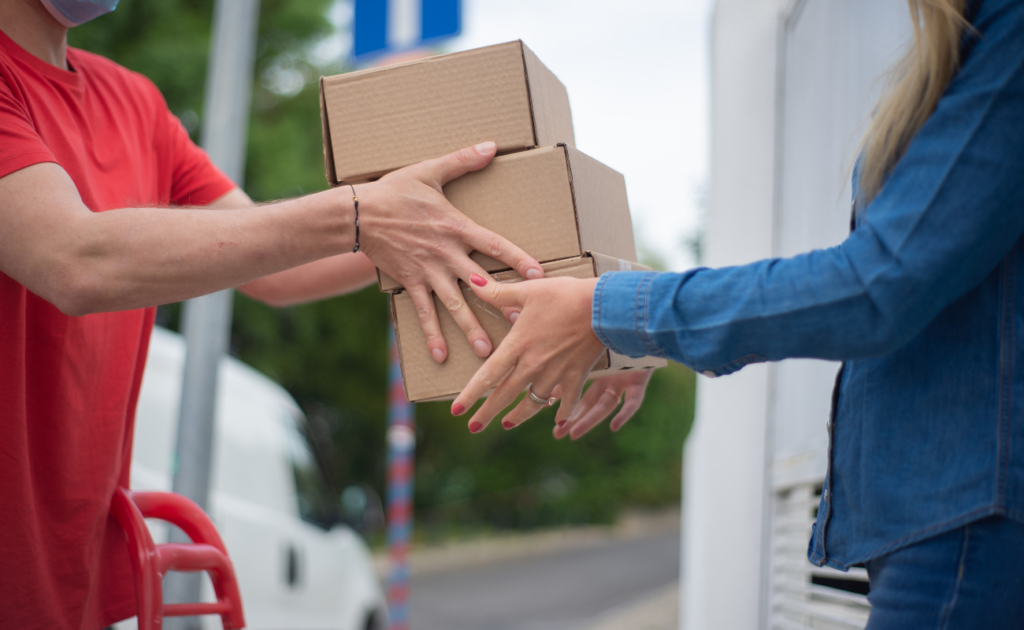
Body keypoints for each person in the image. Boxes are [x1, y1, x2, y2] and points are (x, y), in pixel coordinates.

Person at [454, 0, 1024, 626]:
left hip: (967, 521)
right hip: (945, 518)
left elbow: (875, 285)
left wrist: (606, 312)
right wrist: (631, 333)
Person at [0, 0, 555, 627]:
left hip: (66, 577)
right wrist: (363, 213)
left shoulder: (132, 102)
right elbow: (74, 261)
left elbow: (277, 262)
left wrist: (472, 222)